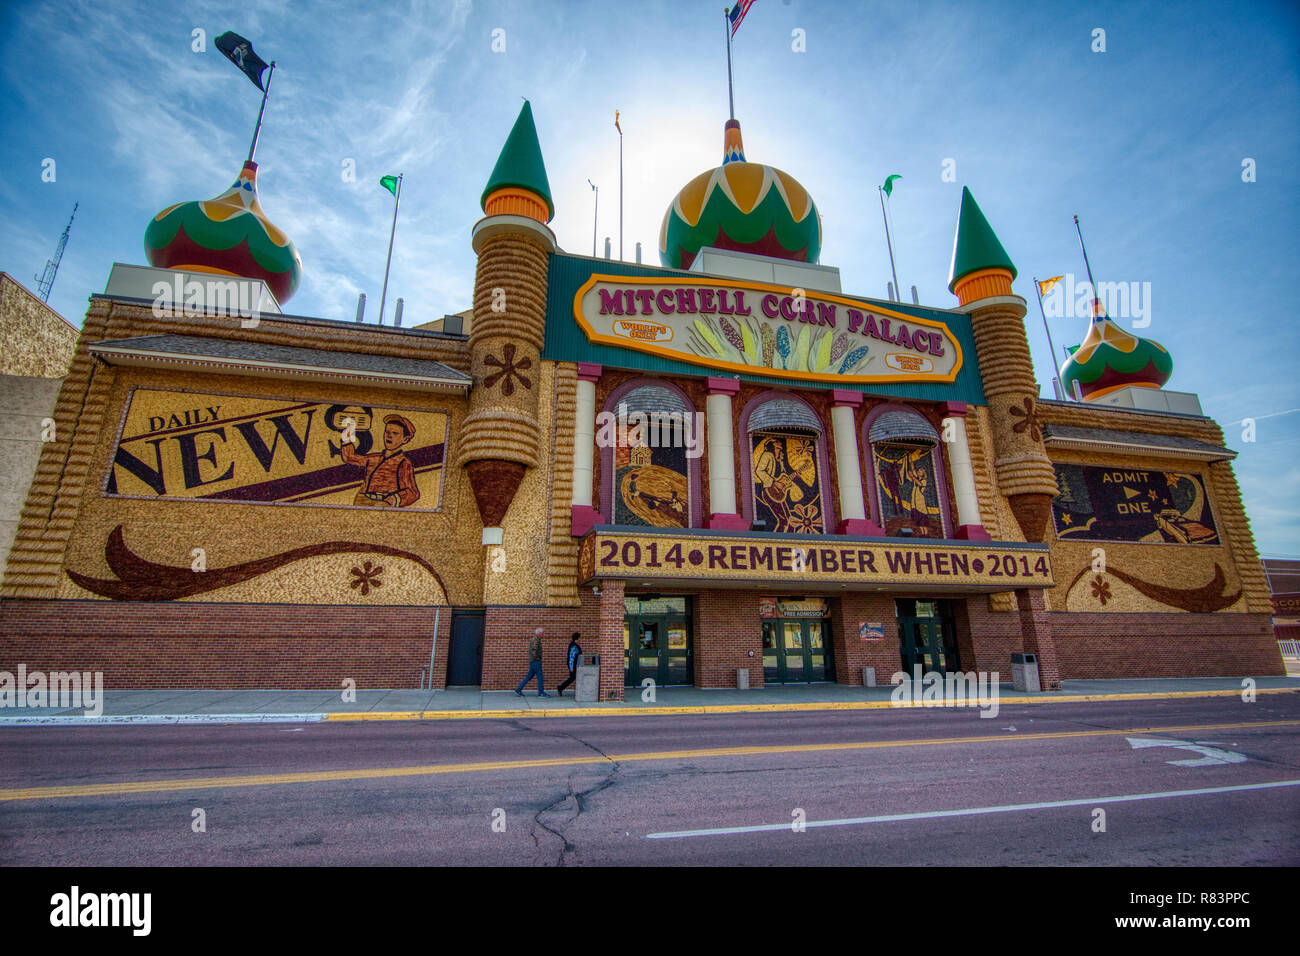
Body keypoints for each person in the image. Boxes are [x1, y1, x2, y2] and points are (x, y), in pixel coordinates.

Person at [341, 414, 421, 507]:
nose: (389, 436)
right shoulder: (374, 458)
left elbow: (413, 493)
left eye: (395, 433)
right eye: (387, 432)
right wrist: (347, 439)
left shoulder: (403, 462)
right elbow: (349, 457)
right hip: (363, 500)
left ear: (405, 439)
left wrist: (392, 499)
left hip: (383, 503)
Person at [515, 627, 549, 697]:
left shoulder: (536, 640)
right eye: (542, 633)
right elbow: (534, 651)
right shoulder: (536, 640)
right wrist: (537, 658)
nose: (543, 635)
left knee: (529, 676)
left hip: (533, 661)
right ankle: (541, 692)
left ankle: (519, 689)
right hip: (535, 661)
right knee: (540, 677)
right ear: (539, 633)